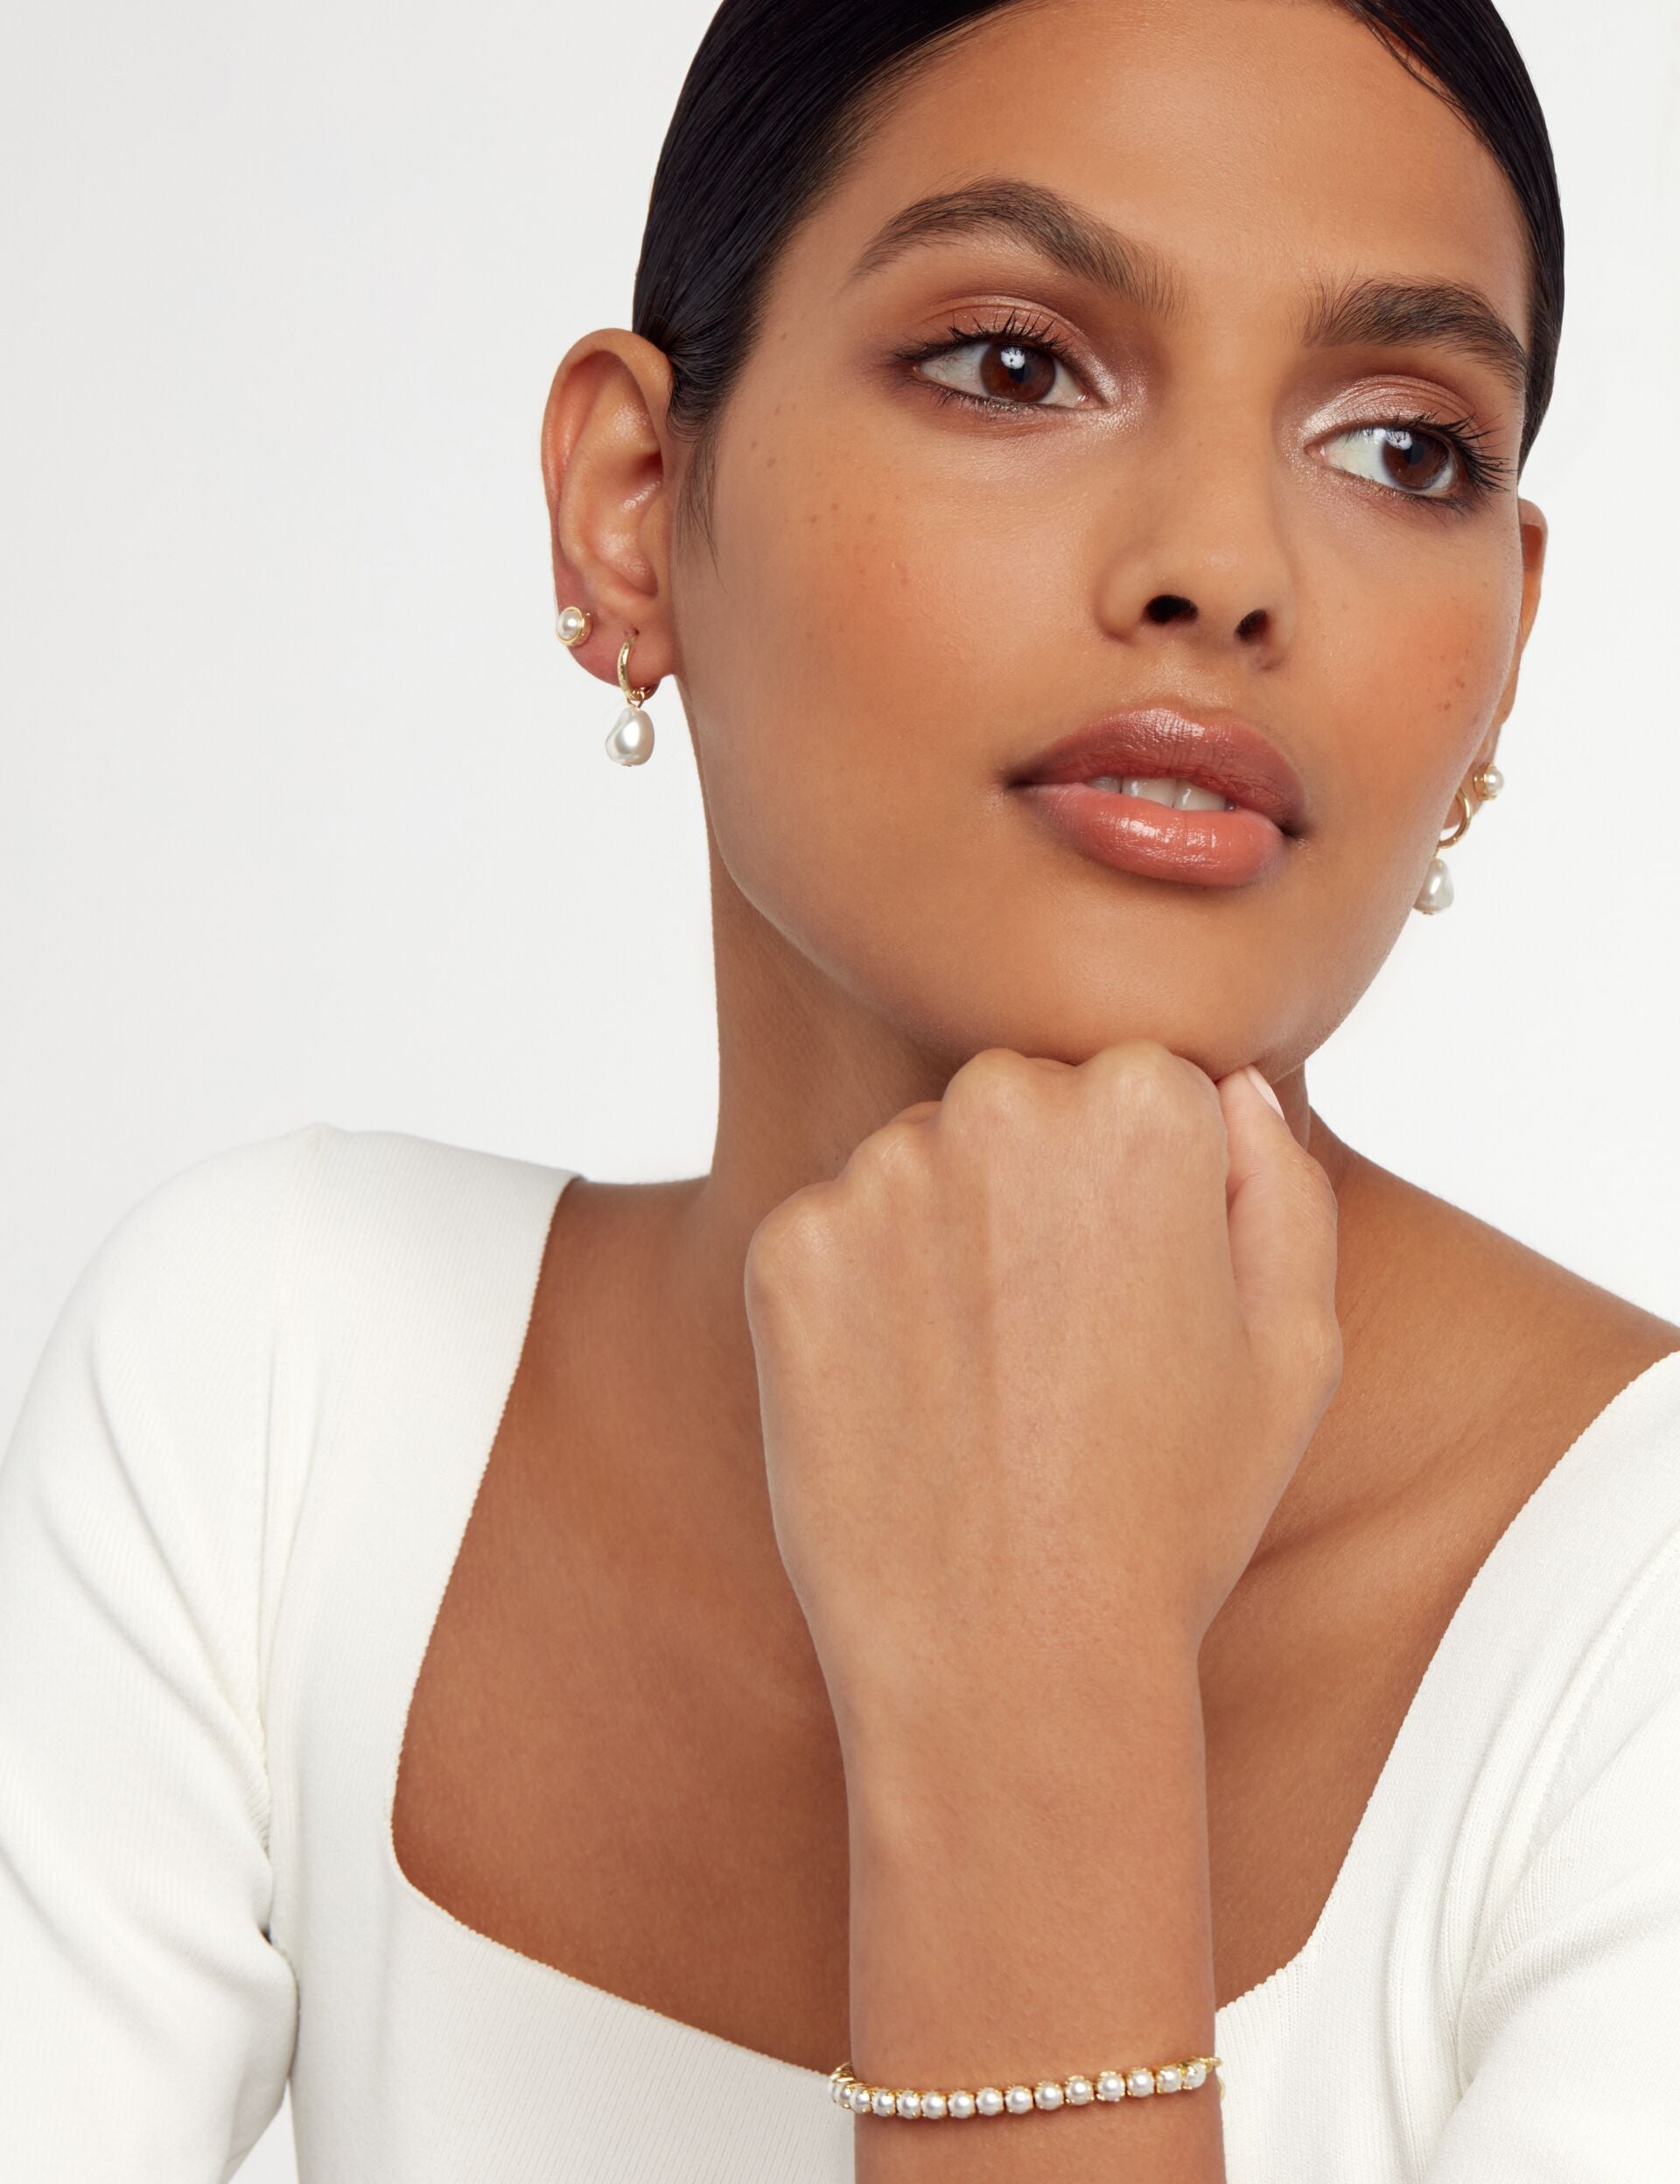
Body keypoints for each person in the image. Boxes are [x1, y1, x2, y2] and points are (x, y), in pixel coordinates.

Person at [3, 0, 1676, 2178]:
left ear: (1508, 647)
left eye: (1403, 448)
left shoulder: (1638, 1621)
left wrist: (1039, 1681)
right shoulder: (276, 1389)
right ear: (632, 505)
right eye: (1014, 364)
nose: (1224, 566)